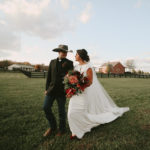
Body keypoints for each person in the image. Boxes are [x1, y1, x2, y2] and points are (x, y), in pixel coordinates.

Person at [68, 49, 129, 139]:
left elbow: (90, 82)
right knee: (71, 112)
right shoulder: (76, 67)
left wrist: (80, 85)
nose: (75, 56)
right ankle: (74, 130)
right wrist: (72, 88)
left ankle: (78, 130)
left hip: (83, 93)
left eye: (76, 54)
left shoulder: (88, 67)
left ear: (80, 56)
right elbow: (71, 79)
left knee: (81, 111)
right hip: (75, 94)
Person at [43, 44, 73, 137]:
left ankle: (62, 129)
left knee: (61, 111)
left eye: (66, 52)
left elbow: (72, 77)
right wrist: (46, 89)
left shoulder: (69, 63)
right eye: (63, 52)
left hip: (62, 91)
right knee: (46, 107)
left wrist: (69, 90)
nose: (65, 53)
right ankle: (52, 127)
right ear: (59, 52)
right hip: (51, 90)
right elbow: (49, 77)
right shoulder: (52, 62)